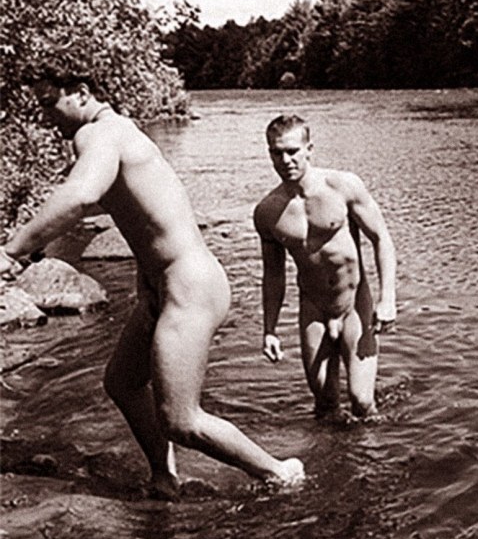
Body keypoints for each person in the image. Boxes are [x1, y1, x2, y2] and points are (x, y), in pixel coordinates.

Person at [0, 69, 304, 497]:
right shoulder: (117, 133)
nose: (46, 114)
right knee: (122, 383)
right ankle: (164, 478)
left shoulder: (98, 134)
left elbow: (81, 195)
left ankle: (279, 472)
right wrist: (37, 237)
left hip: (189, 286)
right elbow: (110, 202)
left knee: (181, 420)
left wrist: (12, 251)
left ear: (82, 93)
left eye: (51, 102)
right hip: (163, 287)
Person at [253, 115, 396, 422]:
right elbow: (274, 275)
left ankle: (376, 449)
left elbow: (381, 238)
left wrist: (388, 299)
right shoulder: (267, 212)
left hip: (353, 305)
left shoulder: (343, 186)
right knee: (325, 405)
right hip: (313, 310)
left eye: (292, 151)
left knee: (362, 403)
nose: (285, 160)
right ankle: (330, 450)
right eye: (277, 152)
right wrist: (269, 330)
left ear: (309, 149)